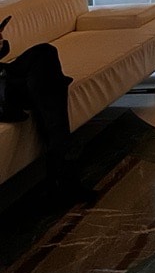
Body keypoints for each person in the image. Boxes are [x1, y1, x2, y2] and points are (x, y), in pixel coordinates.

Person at [0, 15, 92, 206]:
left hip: (6, 76)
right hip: (3, 83)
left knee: (44, 51)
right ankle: (62, 173)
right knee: (49, 85)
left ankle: (58, 176)